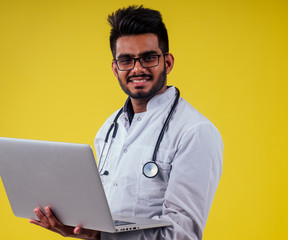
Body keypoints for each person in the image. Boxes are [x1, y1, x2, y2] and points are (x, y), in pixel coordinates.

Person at [30, 5, 223, 240]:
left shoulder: (195, 132)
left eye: (148, 58)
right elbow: (101, 219)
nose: (137, 69)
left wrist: (102, 235)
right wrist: (75, 226)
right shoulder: (109, 130)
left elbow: (182, 234)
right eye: (126, 60)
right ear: (115, 68)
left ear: (168, 62)